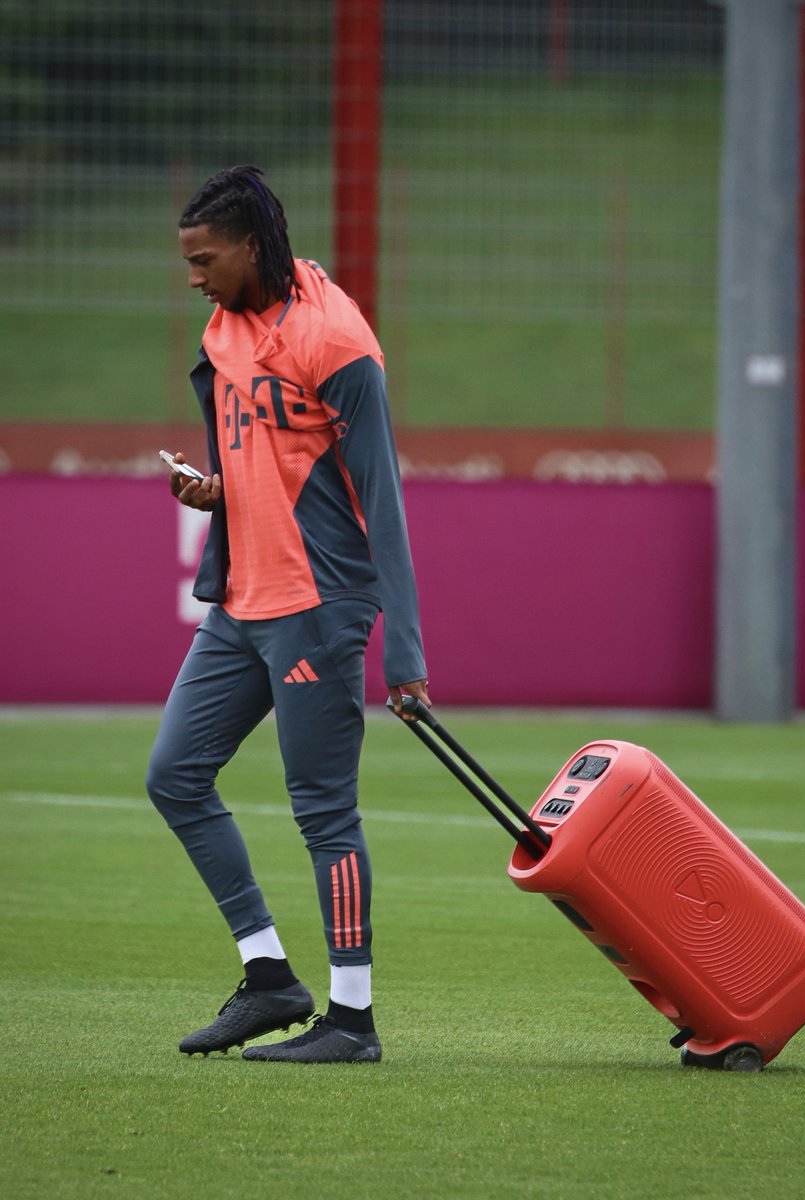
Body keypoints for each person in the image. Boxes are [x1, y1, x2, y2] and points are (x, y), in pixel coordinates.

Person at [146, 165, 430, 1064]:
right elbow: (266, 458)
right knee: (175, 776)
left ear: (250, 245)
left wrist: (406, 653)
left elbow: (381, 500)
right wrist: (216, 490)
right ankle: (269, 977)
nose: (193, 276)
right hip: (241, 607)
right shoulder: (222, 328)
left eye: (204, 258)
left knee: (324, 813)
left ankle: (352, 1020)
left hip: (318, 607)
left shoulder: (335, 338)